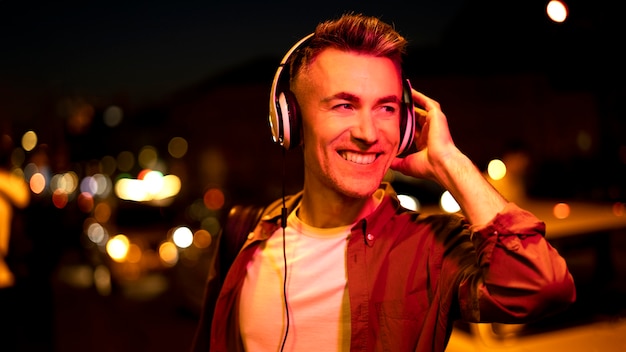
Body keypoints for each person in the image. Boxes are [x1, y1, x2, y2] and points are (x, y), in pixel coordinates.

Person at [191, 12, 576, 352]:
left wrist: (450, 162)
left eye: (386, 108)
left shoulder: (430, 249)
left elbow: (542, 286)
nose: (368, 132)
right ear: (290, 120)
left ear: (407, 124)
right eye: (344, 105)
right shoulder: (245, 232)